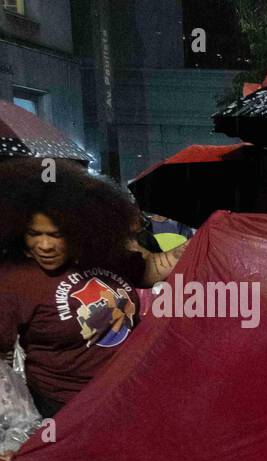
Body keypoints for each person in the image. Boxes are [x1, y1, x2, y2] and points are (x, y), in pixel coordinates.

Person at [0, 158, 185, 419]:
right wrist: (11, 421)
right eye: (34, 234)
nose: (44, 245)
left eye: (56, 234)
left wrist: (195, 245)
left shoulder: (101, 254)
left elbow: (152, 269)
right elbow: (2, 356)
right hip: (64, 407)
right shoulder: (13, 278)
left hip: (126, 391)